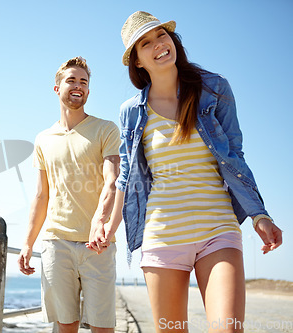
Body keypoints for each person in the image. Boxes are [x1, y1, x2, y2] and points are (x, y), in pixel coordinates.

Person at [90, 11, 283, 333]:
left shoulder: (215, 89)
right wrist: (109, 229)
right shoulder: (131, 112)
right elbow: (127, 178)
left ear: (172, 39)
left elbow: (235, 155)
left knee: (228, 328)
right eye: (146, 43)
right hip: (162, 235)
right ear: (137, 61)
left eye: (161, 35)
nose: (158, 45)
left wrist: (259, 214)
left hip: (217, 228)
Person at [18, 56, 121, 333]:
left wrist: (101, 224)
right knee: (65, 325)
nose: (78, 86)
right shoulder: (43, 139)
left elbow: (112, 181)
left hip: (97, 245)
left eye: (84, 82)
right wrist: (28, 244)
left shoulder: (106, 129)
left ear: (88, 90)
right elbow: (41, 196)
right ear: (57, 88)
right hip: (56, 244)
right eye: (71, 80)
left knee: (102, 327)